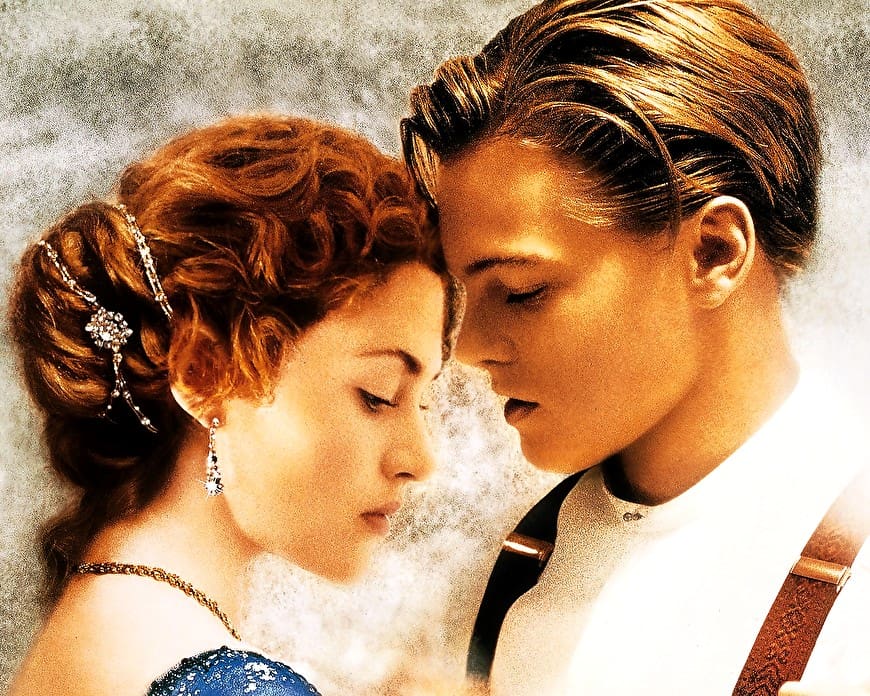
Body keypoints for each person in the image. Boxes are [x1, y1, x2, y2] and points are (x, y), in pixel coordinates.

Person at [401, 1, 870, 694]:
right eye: (463, 298)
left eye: (523, 290)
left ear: (714, 252)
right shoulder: (482, 583)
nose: (468, 350)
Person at [9, 114, 457, 696]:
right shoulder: (226, 682)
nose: (422, 460)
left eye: (425, 404)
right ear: (204, 372)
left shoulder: (96, 620)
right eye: (379, 394)